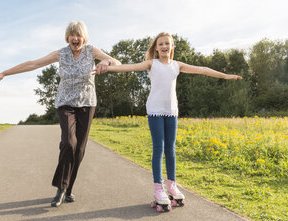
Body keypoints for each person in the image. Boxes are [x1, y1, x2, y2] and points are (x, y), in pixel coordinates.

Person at [96, 32, 242, 210]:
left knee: (171, 149)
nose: (164, 46)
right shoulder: (152, 64)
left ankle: (172, 185)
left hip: (172, 111)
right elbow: (130, 67)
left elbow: (203, 69)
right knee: (159, 148)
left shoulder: (177, 65)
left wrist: (226, 76)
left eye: (167, 43)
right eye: (161, 44)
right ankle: (158, 188)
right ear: (156, 48)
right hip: (155, 111)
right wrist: (107, 68)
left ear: (172, 47)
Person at [0, 21, 121, 207]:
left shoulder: (92, 51)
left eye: (79, 35)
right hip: (65, 103)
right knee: (69, 143)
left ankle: (69, 188)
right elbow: (33, 64)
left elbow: (117, 62)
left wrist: (107, 62)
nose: (75, 38)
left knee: (80, 149)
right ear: (67, 37)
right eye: (72, 35)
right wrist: (5, 73)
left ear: (84, 37)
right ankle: (61, 188)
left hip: (87, 104)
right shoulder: (60, 53)